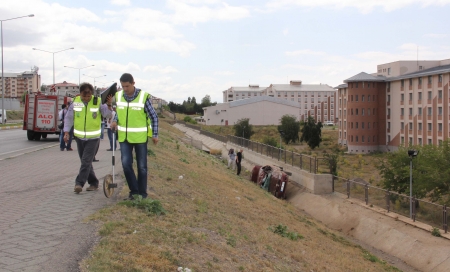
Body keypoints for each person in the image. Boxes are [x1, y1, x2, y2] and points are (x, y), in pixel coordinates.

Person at [111, 73, 158, 200]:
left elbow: (153, 116)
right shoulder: (119, 96)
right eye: (123, 86)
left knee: (142, 167)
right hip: (124, 138)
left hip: (140, 138)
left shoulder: (143, 97)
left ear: (133, 83)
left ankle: (142, 194)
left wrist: (155, 134)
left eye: (127, 86)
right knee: (126, 164)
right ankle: (134, 191)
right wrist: (114, 121)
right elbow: (118, 113)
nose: (125, 89)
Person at [64, 82, 113, 193]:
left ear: (92, 94)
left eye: (88, 96)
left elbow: (107, 115)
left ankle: (79, 183)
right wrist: (66, 132)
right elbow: (69, 118)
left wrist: (109, 105)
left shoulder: (98, 101)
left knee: (86, 161)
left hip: (93, 138)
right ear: (80, 94)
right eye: (84, 96)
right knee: (85, 162)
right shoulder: (75, 103)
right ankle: (94, 183)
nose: (86, 98)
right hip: (79, 137)